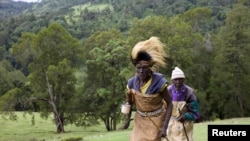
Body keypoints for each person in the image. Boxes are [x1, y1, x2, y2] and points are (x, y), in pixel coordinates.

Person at [124, 36, 173, 141]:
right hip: (140, 121)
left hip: (156, 120)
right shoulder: (131, 83)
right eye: (138, 68)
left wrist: (164, 127)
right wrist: (127, 119)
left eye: (144, 68)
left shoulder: (159, 82)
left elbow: (169, 104)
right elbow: (129, 102)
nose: (141, 71)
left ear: (149, 67)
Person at [166, 67, 200, 141]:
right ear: (172, 80)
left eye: (180, 79)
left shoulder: (190, 92)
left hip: (185, 124)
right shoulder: (168, 91)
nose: (178, 81)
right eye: (175, 79)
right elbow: (163, 108)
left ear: (183, 79)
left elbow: (196, 113)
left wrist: (185, 116)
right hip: (170, 124)